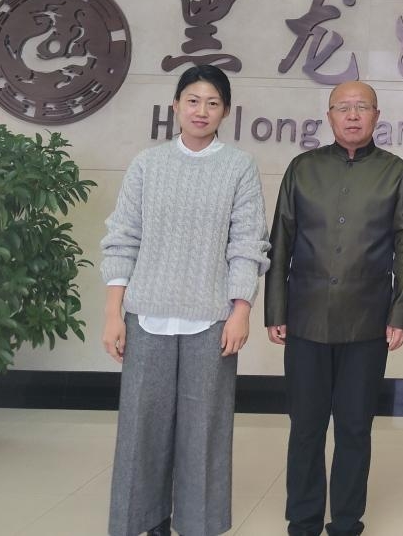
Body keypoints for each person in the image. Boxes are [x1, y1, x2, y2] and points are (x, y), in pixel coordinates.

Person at [100, 64, 270, 536]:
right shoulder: (147, 164)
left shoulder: (238, 166)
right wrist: (113, 313)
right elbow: (122, 238)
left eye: (213, 103)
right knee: (141, 430)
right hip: (146, 316)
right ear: (175, 105)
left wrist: (241, 311)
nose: (201, 110)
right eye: (193, 100)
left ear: (226, 112)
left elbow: (247, 244)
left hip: (210, 321)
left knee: (205, 433)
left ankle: (200, 524)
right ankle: (144, 522)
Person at [264, 80, 403, 536]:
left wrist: (400, 313)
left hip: (367, 322)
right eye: (344, 107)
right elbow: (281, 241)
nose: (353, 115)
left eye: (362, 107)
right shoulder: (302, 168)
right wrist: (276, 309)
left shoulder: (396, 172)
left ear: (377, 116)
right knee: (306, 427)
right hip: (306, 317)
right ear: (329, 115)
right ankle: (303, 520)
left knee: (355, 427)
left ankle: (348, 521)